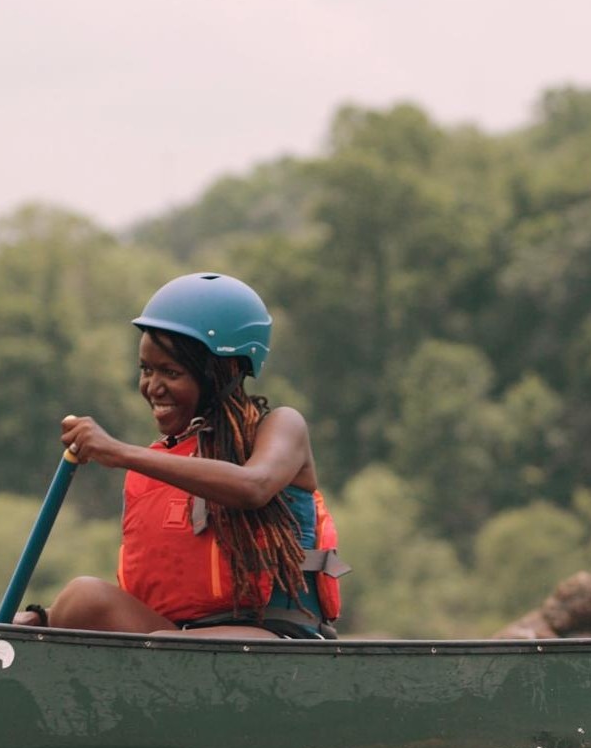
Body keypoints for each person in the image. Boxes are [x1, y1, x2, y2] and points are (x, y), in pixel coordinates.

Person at [17, 271, 346, 639]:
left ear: (227, 369)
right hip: (178, 642)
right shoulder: (161, 463)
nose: (152, 387)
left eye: (171, 372)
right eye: (146, 369)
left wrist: (121, 452)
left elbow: (253, 487)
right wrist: (48, 617)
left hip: (272, 638)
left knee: (166, 646)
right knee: (83, 597)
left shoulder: (282, 426)